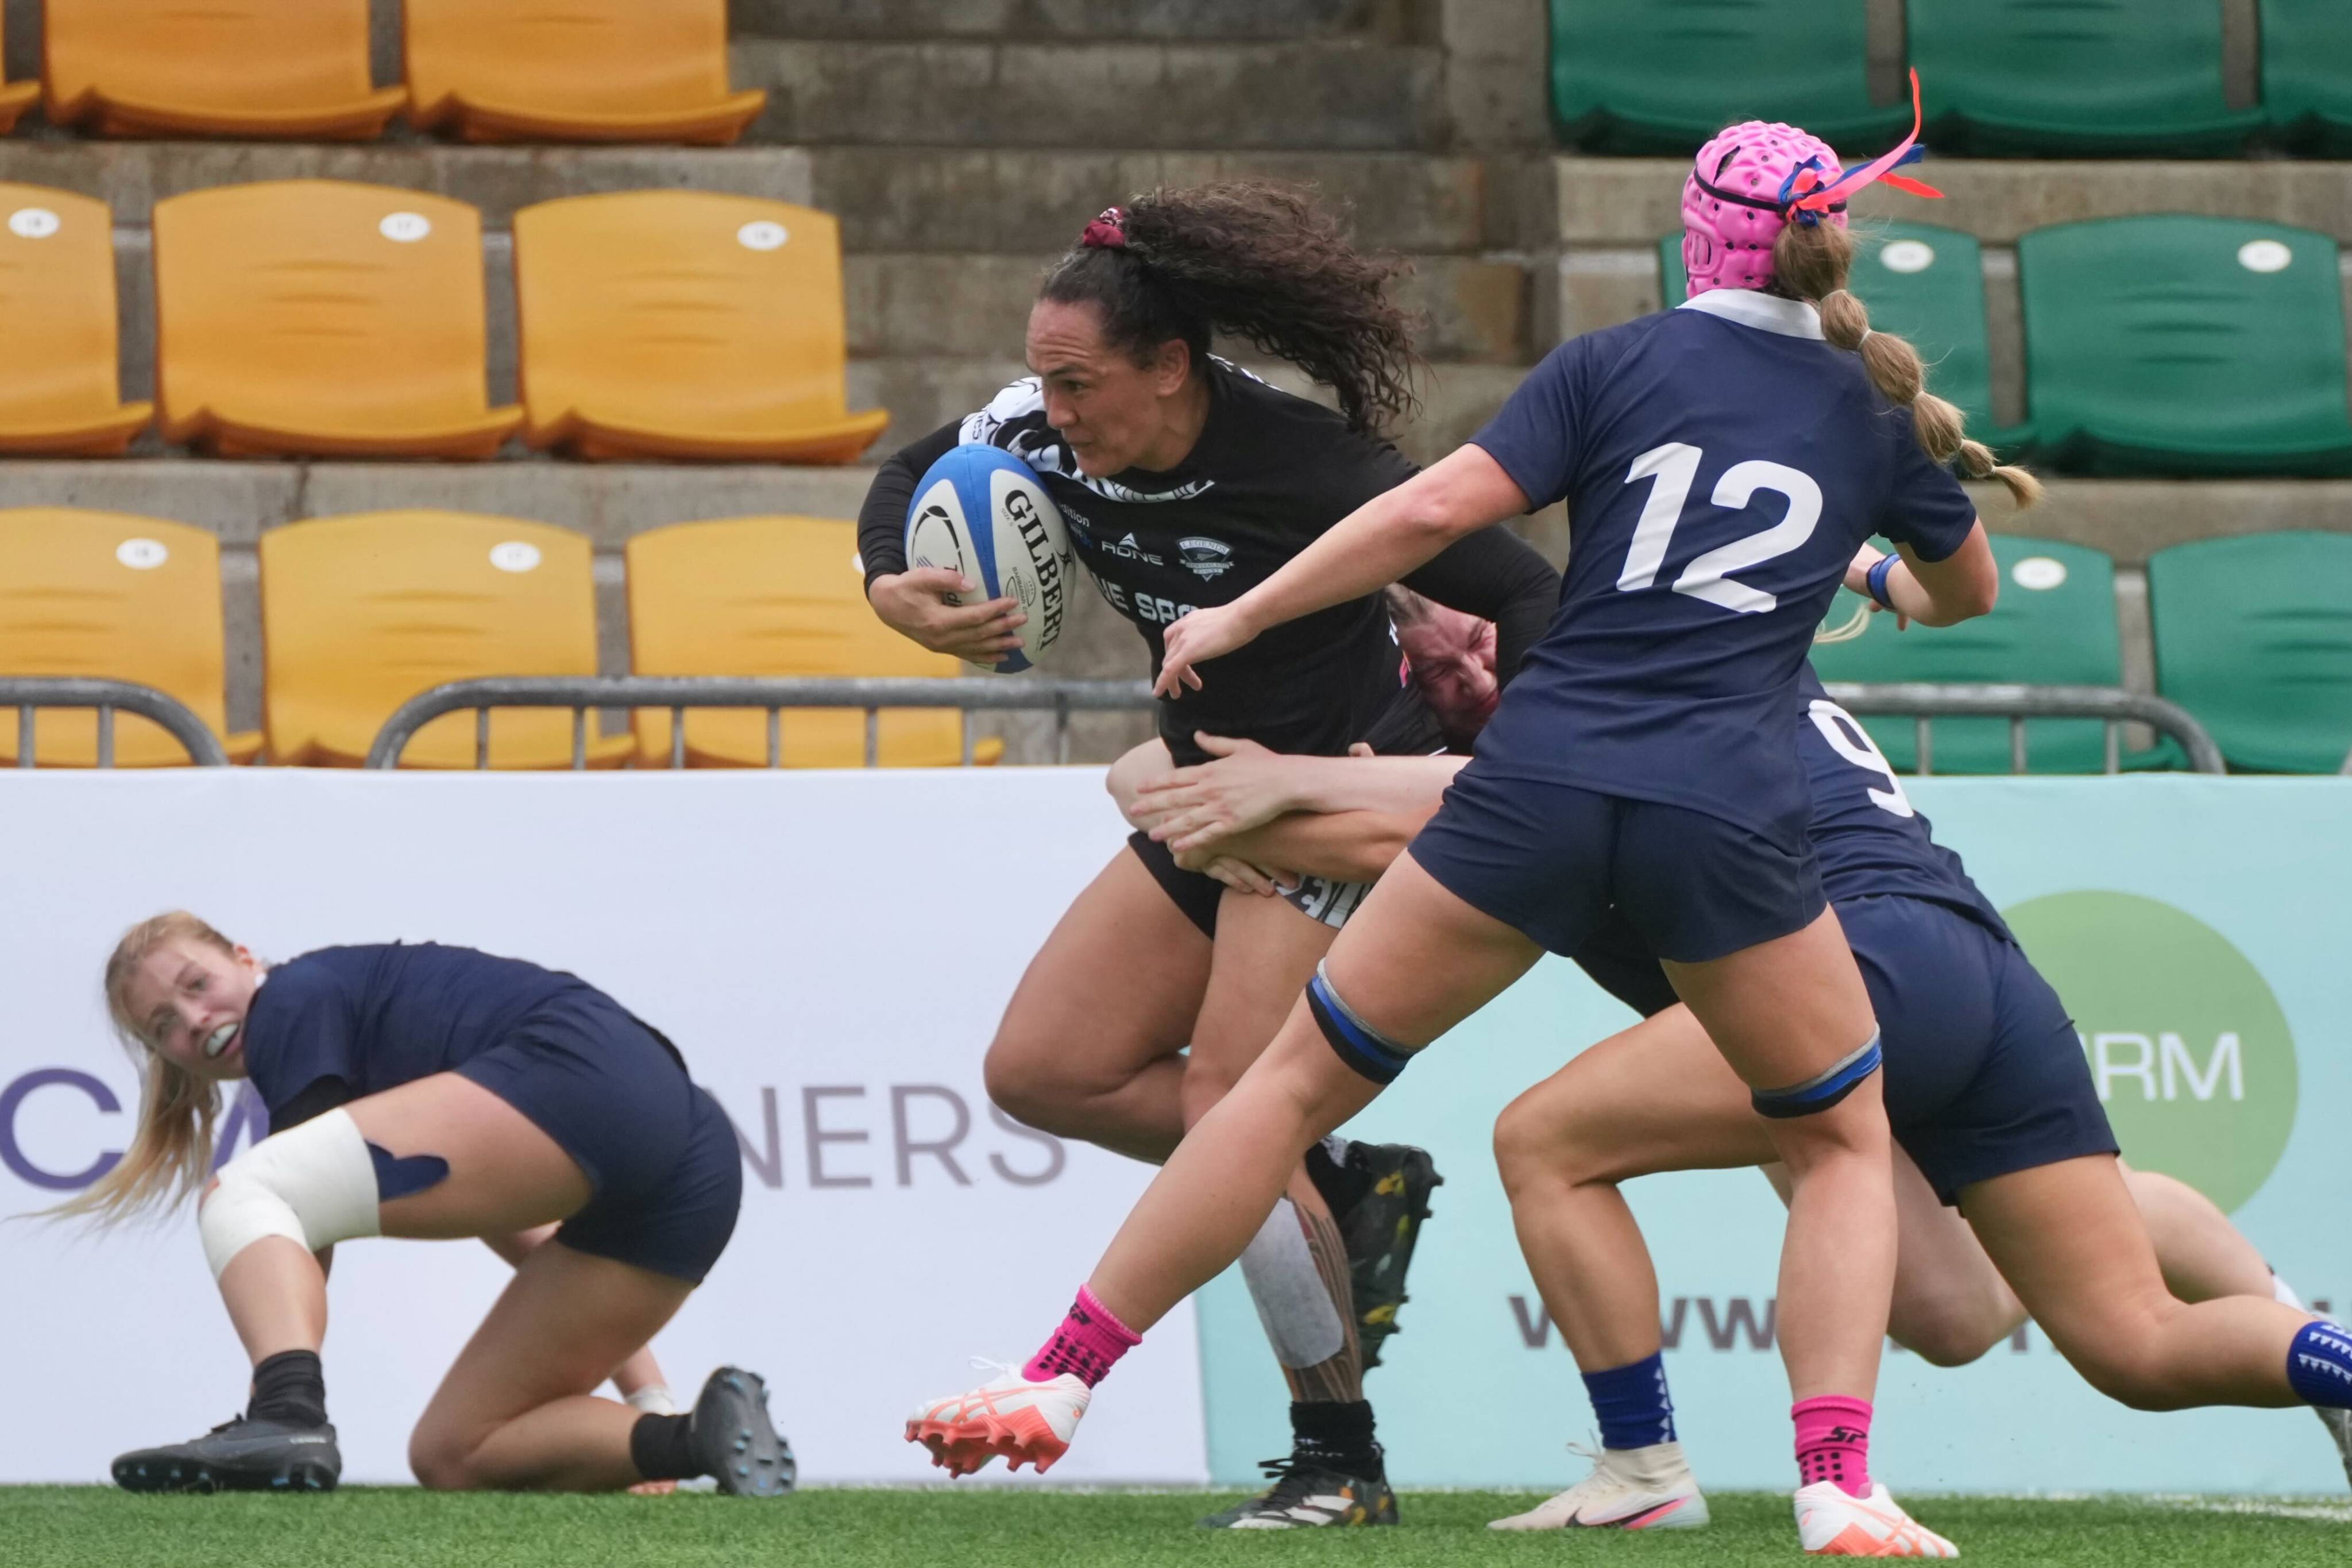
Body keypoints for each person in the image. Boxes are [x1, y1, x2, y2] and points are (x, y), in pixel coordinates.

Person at [904, 85, 2026, 1556]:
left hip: (1535, 788)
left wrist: (1242, 606)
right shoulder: (1874, 409)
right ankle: (1837, 1487)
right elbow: (1969, 598)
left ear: (1692, 247)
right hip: (1725, 813)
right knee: (1834, 1143)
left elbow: (1425, 516)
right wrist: (1866, 575)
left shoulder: (1613, 363)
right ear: (1828, 247)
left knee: (1277, 1095)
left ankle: (1058, 1379)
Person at [1125, 612, 2352, 1523]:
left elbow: (1423, 802)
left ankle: (1642, 1471)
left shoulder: (1587, 701)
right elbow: (1400, 800)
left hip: (1845, 971)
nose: (1448, 650)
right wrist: (1194, 790)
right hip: (1974, 970)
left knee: (1543, 1139)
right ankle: (2320, 1354)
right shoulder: (1711, 641)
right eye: (1429, 652)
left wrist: (1247, 786)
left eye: (1455, 627)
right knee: (2009, 1322)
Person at [860, 180, 1559, 1528]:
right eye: (1043, 385)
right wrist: (891, 579)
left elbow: (1524, 589)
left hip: (1317, 800)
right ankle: (1341, 1184)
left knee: (1228, 1109)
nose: (1049, 416)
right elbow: (910, 473)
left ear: (1172, 368)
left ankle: (1339, 1460)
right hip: (1199, 795)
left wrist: (1502, 787)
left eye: (1078, 386)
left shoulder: (1310, 467)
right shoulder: (1037, 423)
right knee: (1044, 1071)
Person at [65, 913, 792, 1498]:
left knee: (246, 1191)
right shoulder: (407, 1078)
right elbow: (522, 1223)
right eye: (163, 1026)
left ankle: (285, 1416)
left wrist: (279, 1414)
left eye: (199, 982)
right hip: (689, 1157)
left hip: (584, 1068)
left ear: (248, 958)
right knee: (455, 1450)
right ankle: (698, 1437)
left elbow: (298, 1213)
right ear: (165, 1058)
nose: (195, 1018)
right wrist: (650, 1397)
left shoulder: (293, 997)